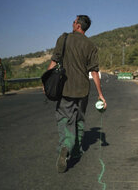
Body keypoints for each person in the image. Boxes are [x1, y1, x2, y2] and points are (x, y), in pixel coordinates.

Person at [47, 15, 107, 173]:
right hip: (83, 91)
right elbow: (94, 72)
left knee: (64, 119)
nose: (72, 23)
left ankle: (65, 146)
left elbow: (54, 61)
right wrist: (100, 94)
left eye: (74, 21)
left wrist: (46, 80)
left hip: (65, 89)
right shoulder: (91, 46)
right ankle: (76, 151)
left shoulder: (64, 39)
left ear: (78, 26)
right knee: (79, 120)